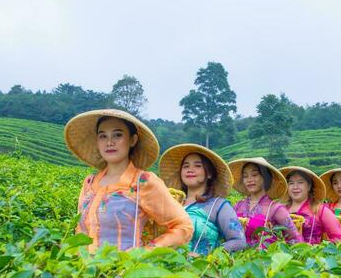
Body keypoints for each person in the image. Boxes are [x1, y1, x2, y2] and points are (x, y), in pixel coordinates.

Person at [65, 109, 192, 251]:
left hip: (122, 270)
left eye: (117, 135)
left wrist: (144, 253)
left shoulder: (143, 181)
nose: (109, 142)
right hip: (82, 270)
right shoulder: (89, 182)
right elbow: (79, 230)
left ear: (132, 140)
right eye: (103, 136)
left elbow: (183, 226)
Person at [159, 144, 246, 256]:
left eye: (197, 166)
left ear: (209, 173)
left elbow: (239, 242)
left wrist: (208, 256)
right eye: (186, 166)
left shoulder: (218, 205)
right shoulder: (172, 204)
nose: (190, 170)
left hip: (200, 270)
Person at [228, 157, 301, 247]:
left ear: (264, 177)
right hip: (238, 258)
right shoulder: (238, 206)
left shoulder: (276, 208)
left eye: (254, 175)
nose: (249, 179)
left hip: (264, 259)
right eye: (245, 176)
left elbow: (295, 239)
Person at [280, 166, 341, 245]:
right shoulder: (281, 211)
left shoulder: (320, 210)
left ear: (309, 186)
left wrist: (318, 249)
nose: (295, 187)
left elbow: (340, 238)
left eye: (300, 182)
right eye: (291, 183)